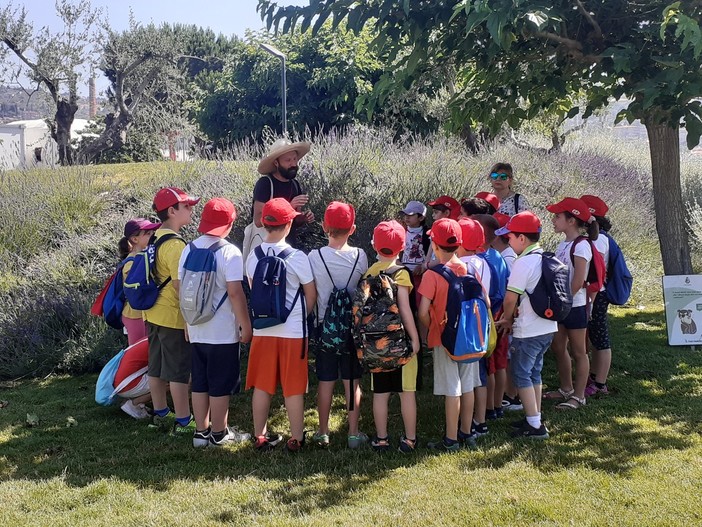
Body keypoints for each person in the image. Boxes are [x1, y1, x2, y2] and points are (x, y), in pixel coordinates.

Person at [178, 198, 253, 448]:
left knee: (200, 381)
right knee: (220, 384)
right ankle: (220, 434)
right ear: (230, 223)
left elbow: (182, 289)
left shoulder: (188, 249)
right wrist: (244, 323)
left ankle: (201, 433)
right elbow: (234, 292)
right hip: (222, 332)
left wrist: (187, 323)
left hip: (197, 327)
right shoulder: (230, 252)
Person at [245, 198, 317, 453]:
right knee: (293, 387)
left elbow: (255, 291)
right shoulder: (298, 257)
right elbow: (311, 294)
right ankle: (296, 438)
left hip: (262, 330)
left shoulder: (252, 258)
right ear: (288, 225)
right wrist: (300, 317)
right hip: (293, 331)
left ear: (264, 224)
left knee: (263, 386)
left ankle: (260, 436)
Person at [308, 201, 369, 449]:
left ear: (324, 226)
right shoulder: (360, 256)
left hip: (326, 328)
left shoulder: (315, 256)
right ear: (352, 229)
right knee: (352, 381)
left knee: (325, 381)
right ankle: (353, 433)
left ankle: (323, 432)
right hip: (352, 329)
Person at [418, 218, 481, 452]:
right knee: (468, 386)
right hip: (469, 337)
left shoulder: (432, 275)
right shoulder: (469, 268)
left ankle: (451, 439)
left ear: (434, 244)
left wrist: (433, 327)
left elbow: (423, 311)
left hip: (444, 338)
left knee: (451, 389)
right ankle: (467, 432)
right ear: (460, 243)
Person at [494, 211, 557, 439]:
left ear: (522, 238)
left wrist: (507, 319)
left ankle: (535, 427)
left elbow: (511, 298)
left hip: (528, 329)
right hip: (548, 327)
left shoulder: (523, 263)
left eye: (510, 237)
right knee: (534, 373)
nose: (508, 242)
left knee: (521, 374)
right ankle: (534, 416)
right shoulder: (544, 258)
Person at [144, 186, 200, 434]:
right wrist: (190, 318)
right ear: (172, 210)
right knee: (178, 371)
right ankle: (183, 421)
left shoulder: (155, 237)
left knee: (156, 366)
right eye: (186, 206)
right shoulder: (176, 246)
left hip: (153, 312)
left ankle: (160, 413)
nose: (191, 210)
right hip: (172, 315)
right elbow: (181, 286)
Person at [365, 220, 420, 453]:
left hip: (377, 344)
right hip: (401, 343)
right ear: (402, 247)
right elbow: (405, 310)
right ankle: (409, 439)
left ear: (374, 245)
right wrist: (415, 339)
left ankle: (382, 438)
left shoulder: (369, 272)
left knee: (380, 393)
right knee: (406, 393)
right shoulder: (401, 274)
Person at [543, 197, 599, 410]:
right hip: (562, 304)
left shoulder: (582, 246)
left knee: (578, 351)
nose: (554, 220)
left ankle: (578, 395)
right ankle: (565, 388)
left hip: (574, 306)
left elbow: (578, 281)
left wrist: (562, 301)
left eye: (558, 216)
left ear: (572, 220)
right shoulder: (562, 244)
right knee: (558, 346)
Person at [243, 139, 315, 262]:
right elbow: (258, 221)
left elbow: (294, 220)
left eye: (295, 159)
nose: (293, 164)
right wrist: (289, 207)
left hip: (288, 251)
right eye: (288, 160)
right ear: (276, 163)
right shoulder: (265, 184)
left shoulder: (295, 184)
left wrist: (303, 218)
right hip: (266, 253)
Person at [580, 194, 614, 397]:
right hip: (593, 294)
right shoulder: (598, 237)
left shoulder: (599, 240)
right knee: (595, 336)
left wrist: (590, 301)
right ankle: (594, 376)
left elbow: (596, 273)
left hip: (596, 295)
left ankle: (600, 383)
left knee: (600, 338)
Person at [119, 218, 161, 345]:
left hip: (141, 314)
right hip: (135, 315)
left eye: (152, 232)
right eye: (147, 233)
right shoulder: (132, 263)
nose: (152, 235)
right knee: (138, 355)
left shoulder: (143, 257)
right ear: (135, 239)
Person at [112, 337, 151, 419]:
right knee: (168, 383)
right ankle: (135, 403)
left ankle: (138, 401)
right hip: (127, 385)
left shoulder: (147, 339)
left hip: (119, 384)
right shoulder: (157, 344)